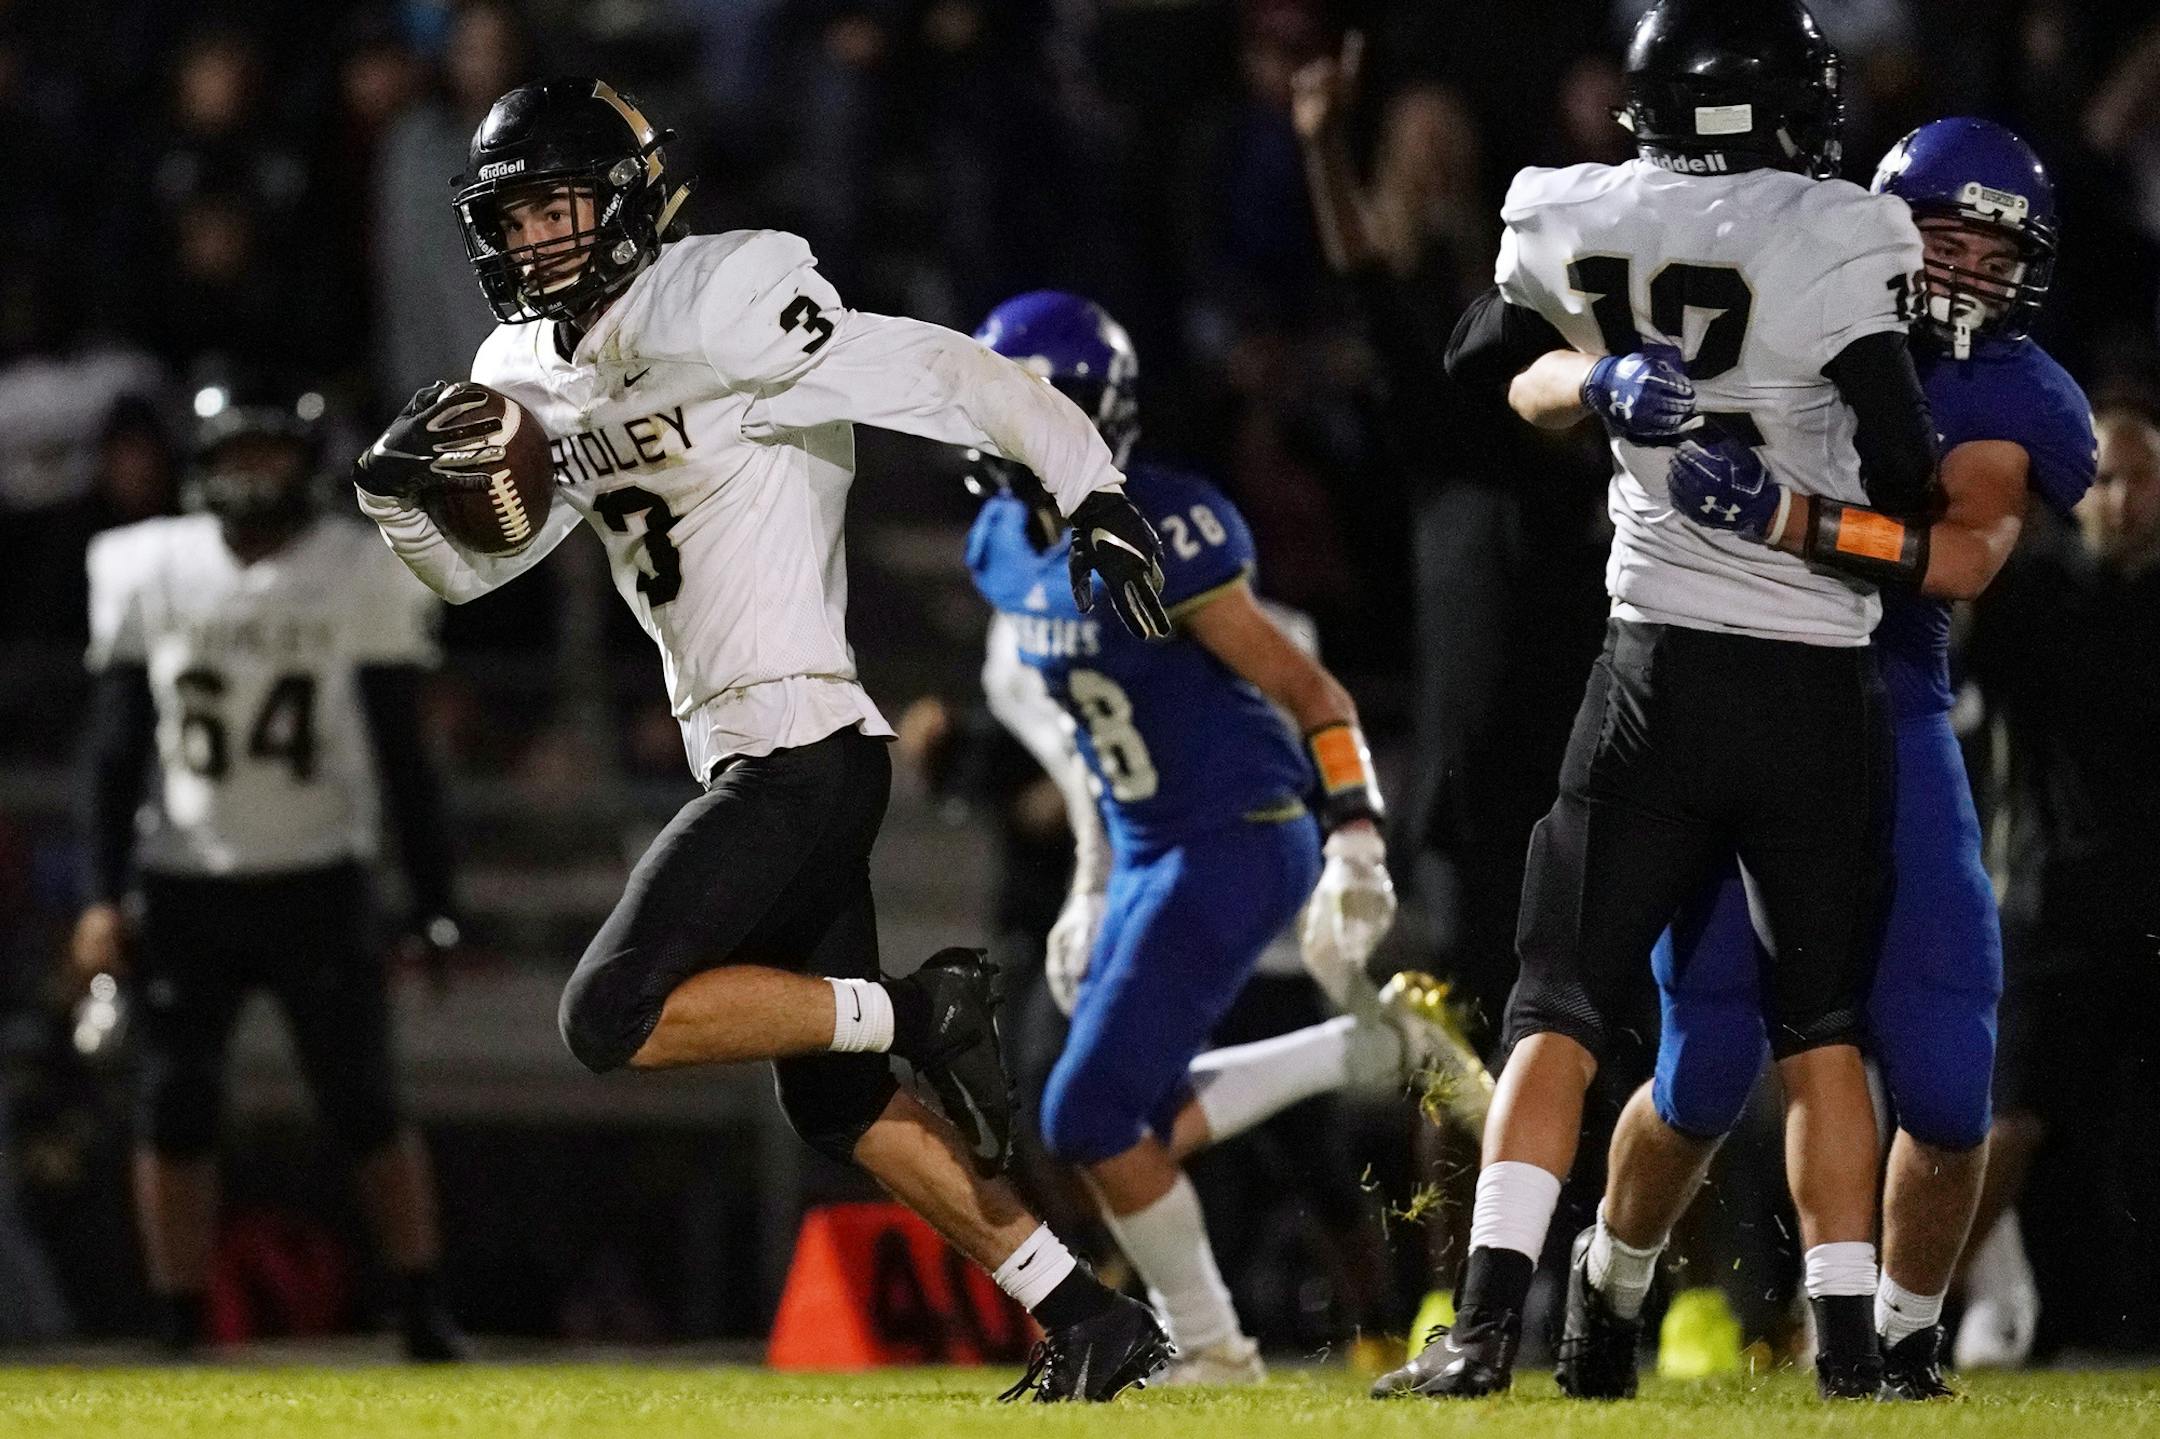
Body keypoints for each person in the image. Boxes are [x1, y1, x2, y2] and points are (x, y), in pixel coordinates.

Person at [350, 78, 1174, 1402]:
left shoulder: (726, 296)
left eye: (553, 204)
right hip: (748, 757)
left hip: (806, 745)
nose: (529, 239)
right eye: (508, 215)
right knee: (837, 1102)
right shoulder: (525, 373)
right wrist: (403, 501)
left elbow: (946, 370)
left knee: (606, 1013)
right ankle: (1084, 1311)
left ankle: (923, 1003)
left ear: (622, 201)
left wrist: (1091, 486)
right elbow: (477, 573)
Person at [1377, 0, 1940, 1401]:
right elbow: (1910, 469)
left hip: (1649, 673)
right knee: (1820, 1024)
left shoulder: (1570, 211)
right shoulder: (1838, 227)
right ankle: (1849, 1345)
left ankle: (1484, 1321)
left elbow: (1481, 364)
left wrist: (1599, 373)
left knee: (1557, 999)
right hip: (1813, 673)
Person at [1569, 117, 2097, 1402]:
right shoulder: (1776, 304)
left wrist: (1790, 514)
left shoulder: (2014, 392)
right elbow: (1532, 367)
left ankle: (1906, 1337)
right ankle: (1609, 1278)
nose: (1965, 269)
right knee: (1705, 1065)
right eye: (1942, 237)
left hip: (1893, 707)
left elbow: (1964, 555)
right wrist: (1602, 389)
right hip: (1730, 689)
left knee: (1948, 1063)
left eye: (1992, 248)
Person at [964, 291, 1491, 1385]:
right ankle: (1376, 1049)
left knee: (1086, 1107)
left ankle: (1210, 1343)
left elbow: (1310, 689)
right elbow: (1086, 739)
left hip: (1241, 835)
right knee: (1137, 1116)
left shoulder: (1167, 525)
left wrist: (1356, 837)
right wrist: (1089, 878)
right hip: (1147, 835)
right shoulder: (997, 544)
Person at [72, 382, 467, 1359]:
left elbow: (403, 754)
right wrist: (98, 892)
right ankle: (176, 1317)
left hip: (317, 873)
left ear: (307, 463)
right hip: (184, 874)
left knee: (365, 1099)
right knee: (173, 1103)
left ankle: (420, 1302)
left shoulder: (357, 569)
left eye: (271, 457)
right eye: (236, 456)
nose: (252, 477)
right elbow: (114, 748)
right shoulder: (150, 564)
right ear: (204, 464)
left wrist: (432, 900)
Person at [1957, 393, 2160, 1366]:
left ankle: (2095, 1315)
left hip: (2147, 905)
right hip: (2054, 896)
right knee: (2013, 1117)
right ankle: (1892, 1306)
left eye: (2140, 478)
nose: (2122, 500)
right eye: (2106, 480)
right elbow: (1953, 644)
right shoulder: (2037, 593)